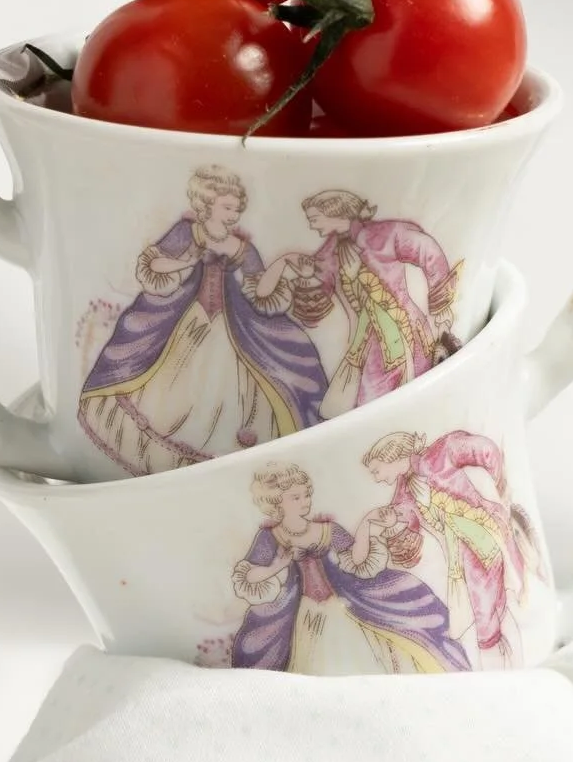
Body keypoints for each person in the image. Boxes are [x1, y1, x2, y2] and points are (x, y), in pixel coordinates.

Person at [79, 167, 327, 475]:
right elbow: (152, 262)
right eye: (228, 206)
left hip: (228, 324)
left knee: (222, 388)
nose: (234, 213)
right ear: (207, 204)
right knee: (172, 385)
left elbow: (260, 292)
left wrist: (283, 262)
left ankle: (217, 466)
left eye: (237, 207)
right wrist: (185, 260)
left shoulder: (241, 247)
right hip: (186, 318)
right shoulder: (187, 232)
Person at [230, 463, 469, 674]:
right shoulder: (271, 537)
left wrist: (366, 524)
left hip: (340, 604)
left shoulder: (327, 530)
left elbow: (356, 560)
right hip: (304, 612)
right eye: (296, 497)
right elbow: (249, 577)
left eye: (306, 495)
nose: (305, 502)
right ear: (276, 502)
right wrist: (278, 566)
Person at [360, 429, 540, 668]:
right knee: (489, 613)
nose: (377, 478)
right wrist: (385, 526)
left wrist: (499, 486)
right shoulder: (404, 493)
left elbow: (485, 449)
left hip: (484, 535)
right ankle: (512, 668)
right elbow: (406, 527)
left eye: (376, 470)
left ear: (391, 456)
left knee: (489, 615)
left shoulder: (440, 453)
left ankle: (502, 675)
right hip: (462, 554)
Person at [274, 189, 462, 416]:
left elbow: (427, 250)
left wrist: (441, 306)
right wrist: (304, 276)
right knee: (369, 402)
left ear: (335, 213)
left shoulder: (384, 234)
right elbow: (320, 290)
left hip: (403, 327)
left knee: (410, 397)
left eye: (315, 219)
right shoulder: (330, 251)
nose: (313, 227)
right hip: (365, 340)